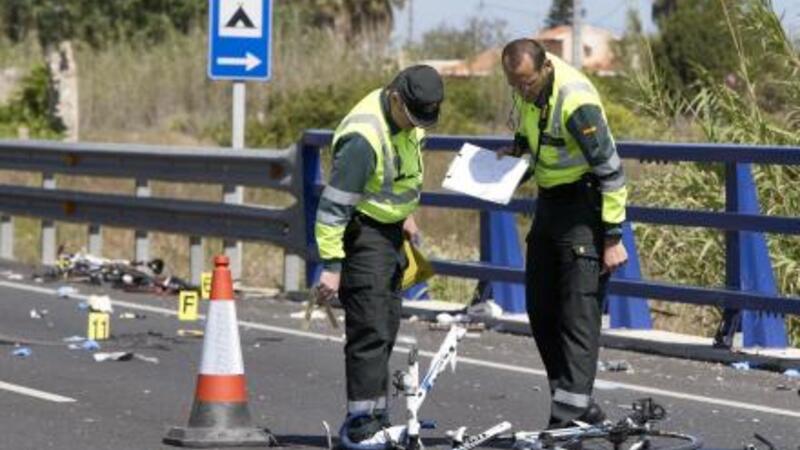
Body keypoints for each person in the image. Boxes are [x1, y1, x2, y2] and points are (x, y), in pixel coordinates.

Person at [499, 38, 629, 429]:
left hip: (584, 206)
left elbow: (611, 172)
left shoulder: (575, 101)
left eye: (526, 82)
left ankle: (565, 419)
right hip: (550, 203)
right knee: (540, 308)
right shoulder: (526, 90)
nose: (521, 90)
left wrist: (612, 237)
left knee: (578, 312)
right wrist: (512, 159)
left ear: (545, 68)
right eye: (513, 83)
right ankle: (576, 405)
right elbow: (534, 142)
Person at [314, 65, 444, 448]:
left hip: (390, 233)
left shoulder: (410, 121)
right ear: (396, 98)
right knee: (369, 331)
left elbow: (401, 174)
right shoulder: (363, 137)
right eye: (412, 117)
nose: (416, 126)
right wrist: (332, 266)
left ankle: (377, 419)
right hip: (363, 233)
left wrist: (405, 215)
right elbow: (333, 208)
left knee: (385, 327)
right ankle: (360, 426)